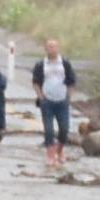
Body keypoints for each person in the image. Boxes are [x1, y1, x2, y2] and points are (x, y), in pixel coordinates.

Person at [34, 40, 76, 173]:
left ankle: (60, 150)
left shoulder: (64, 63)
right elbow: (36, 82)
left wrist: (68, 96)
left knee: (64, 129)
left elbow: (71, 81)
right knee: (49, 130)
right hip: (47, 101)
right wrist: (41, 97)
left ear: (58, 48)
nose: (51, 49)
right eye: (49, 47)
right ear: (45, 49)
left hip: (62, 101)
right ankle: (50, 154)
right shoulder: (41, 64)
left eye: (54, 47)